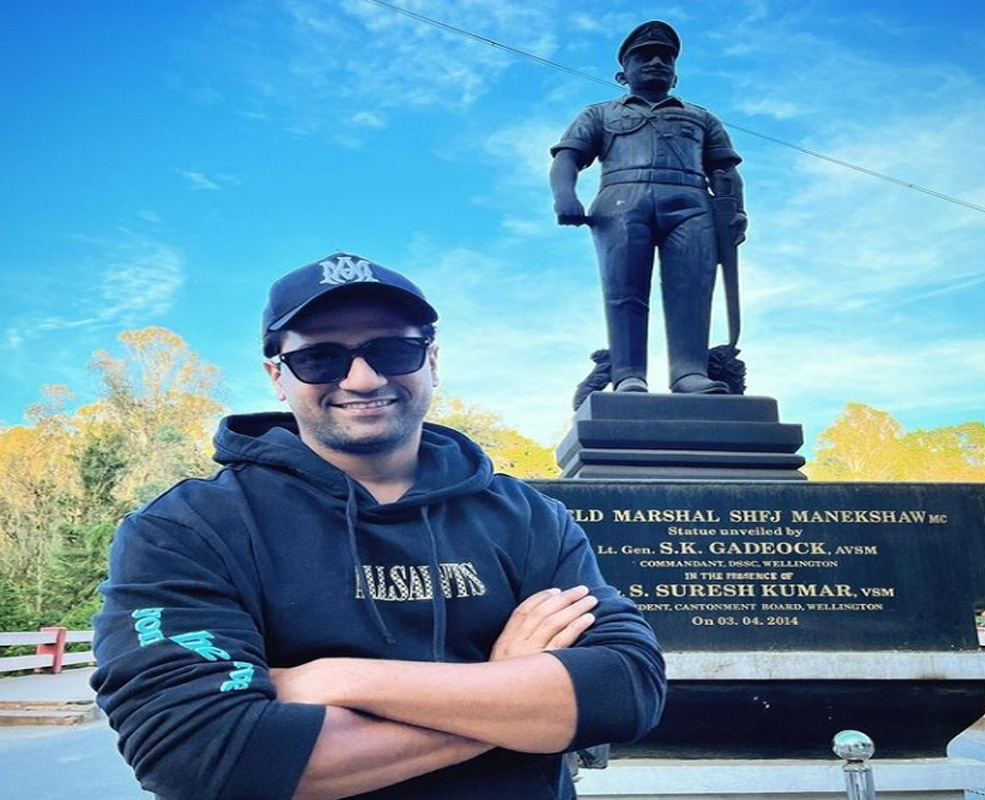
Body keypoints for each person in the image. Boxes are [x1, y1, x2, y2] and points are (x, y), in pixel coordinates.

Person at [90, 251, 667, 800]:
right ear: (277, 375)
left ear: (432, 362)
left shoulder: (530, 517)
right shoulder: (184, 529)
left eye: (393, 351)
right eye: (320, 357)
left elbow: (624, 687)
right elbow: (200, 753)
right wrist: (510, 692)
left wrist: (339, 678)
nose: (363, 379)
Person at [550, 20, 748, 395]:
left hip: (692, 202)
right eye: (644, 56)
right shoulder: (600, 114)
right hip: (621, 202)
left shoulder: (702, 117)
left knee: (692, 287)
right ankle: (628, 374)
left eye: (665, 58)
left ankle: (690, 372)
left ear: (675, 75)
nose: (656, 62)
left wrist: (736, 210)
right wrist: (565, 196)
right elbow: (567, 158)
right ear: (622, 73)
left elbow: (725, 169)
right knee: (624, 290)